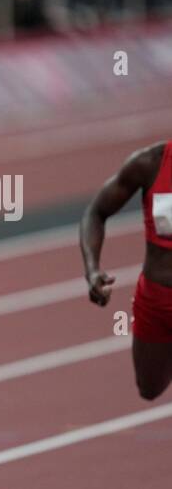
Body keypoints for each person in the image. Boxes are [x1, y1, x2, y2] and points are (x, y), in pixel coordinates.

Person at [81, 140, 172, 401]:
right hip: (155, 301)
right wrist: (92, 270)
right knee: (149, 387)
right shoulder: (150, 163)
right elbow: (96, 213)